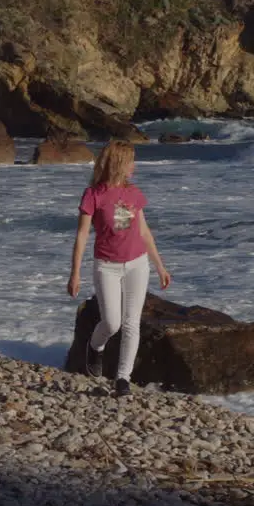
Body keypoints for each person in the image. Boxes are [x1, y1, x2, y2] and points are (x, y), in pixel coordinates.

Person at [67, 140, 171, 397]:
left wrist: (160, 266)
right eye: (131, 161)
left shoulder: (134, 193)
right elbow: (82, 235)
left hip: (137, 264)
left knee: (131, 323)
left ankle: (123, 379)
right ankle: (95, 346)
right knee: (111, 322)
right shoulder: (93, 195)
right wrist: (75, 273)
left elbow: (143, 232)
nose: (134, 166)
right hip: (107, 266)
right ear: (118, 163)